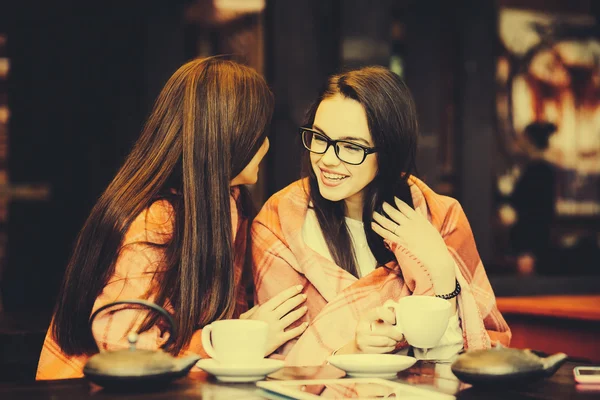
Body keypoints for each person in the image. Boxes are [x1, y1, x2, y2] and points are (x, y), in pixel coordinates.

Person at [36, 57, 307, 380]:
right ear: (228, 138)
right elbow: (125, 348)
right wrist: (232, 339)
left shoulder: (227, 206)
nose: (265, 145)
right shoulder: (158, 220)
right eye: (259, 132)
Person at [252, 66, 511, 366]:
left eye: (351, 147)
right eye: (319, 138)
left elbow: (471, 357)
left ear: (388, 151)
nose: (327, 159)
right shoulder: (279, 223)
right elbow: (279, 363)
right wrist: (353, 350)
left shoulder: (441, 217)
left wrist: (440, 270)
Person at [510, 122, 557, 275]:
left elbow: (536, 210)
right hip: (535, 237)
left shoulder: (537, 171)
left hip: (530, 240)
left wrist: (528, 249)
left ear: (530, 140)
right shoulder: (541, 169)